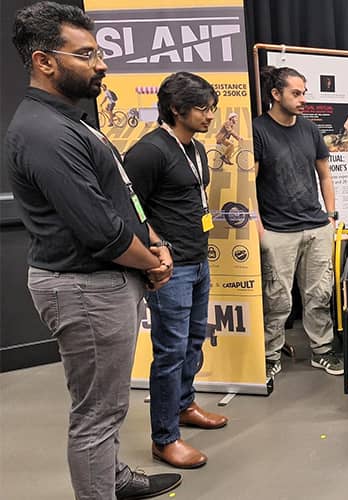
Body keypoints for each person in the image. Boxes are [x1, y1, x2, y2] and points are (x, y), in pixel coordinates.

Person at [6, 2, 181, 498]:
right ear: (44, 61)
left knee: (105, 404)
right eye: (86, 54)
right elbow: (100, 231)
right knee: (97, 414)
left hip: (102, 281)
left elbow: (119, 196)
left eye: (99, 51)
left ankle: (113, 477)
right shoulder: (45, 133)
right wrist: (154, 264)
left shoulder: (71, 119)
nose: (101, 63)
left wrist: (154, 244)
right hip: (85, 287)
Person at [123, 72, 228, 469]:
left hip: (199, 261)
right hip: (171, 269)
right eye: (202, 108)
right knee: (169, 352)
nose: (209, 115)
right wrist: (157, 249)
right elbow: (131, 207)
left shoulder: (195, 149)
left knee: (192, 344)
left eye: (211, 107)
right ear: (175, 109)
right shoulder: (149, 151)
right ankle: (164, 438)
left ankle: (184, 405)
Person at [253, 66, 343, 378]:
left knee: (319, 295)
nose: (303, 99)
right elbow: (248, 183)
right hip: (277, 230)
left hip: (316, 226)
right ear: (276, 95)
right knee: (276, 299)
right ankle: (269, 355)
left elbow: (325, 174)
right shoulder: (258, 130)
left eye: (304, 92)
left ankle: (322, 351)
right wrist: (258, 228)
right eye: (296, 93)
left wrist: (330, 216)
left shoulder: (310, 130)